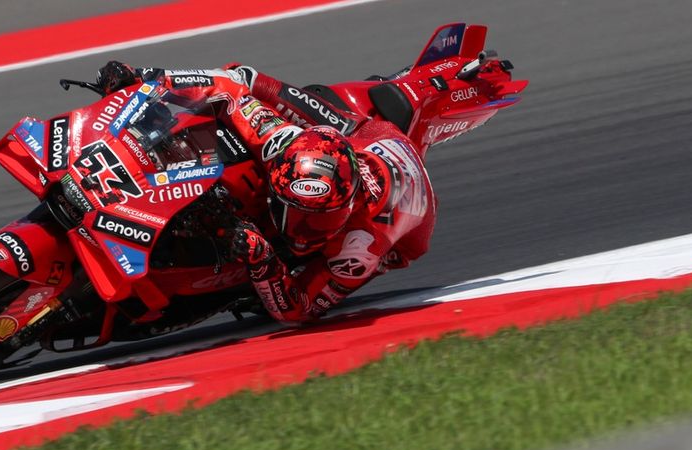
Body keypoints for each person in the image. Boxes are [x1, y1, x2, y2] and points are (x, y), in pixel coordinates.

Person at [96, 60, 437, 324]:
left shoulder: (361, 247)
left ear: (347, 209)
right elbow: (227, 85)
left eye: (320, 220)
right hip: (364, 134)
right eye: (299, 214)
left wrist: (264, 263)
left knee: (279, 288)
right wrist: (144, 77)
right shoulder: (278, 140)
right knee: (247, 78)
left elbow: (299, 311)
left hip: (409, 220)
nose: (302, 231)